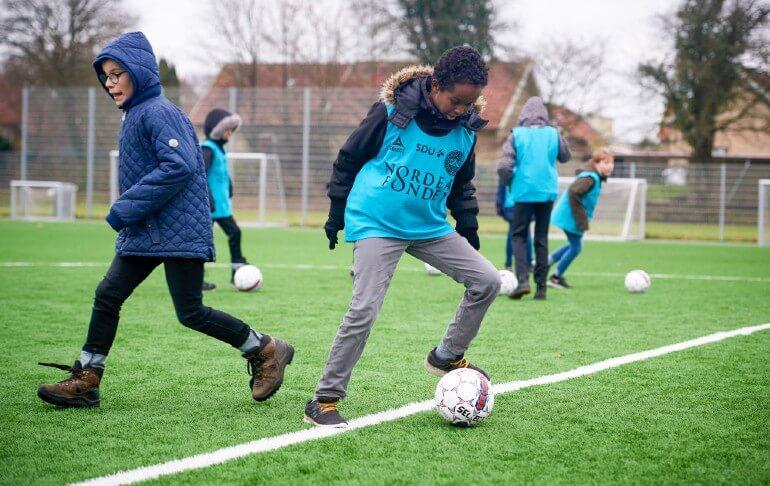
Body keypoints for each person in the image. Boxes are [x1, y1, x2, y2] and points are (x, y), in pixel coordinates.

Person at [36, 32, 294, 408]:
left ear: (138, 73)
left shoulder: (158, 111)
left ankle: (266, 349)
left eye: (117, 73)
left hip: (176, 229)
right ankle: (88, 378)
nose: (110, 82)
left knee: (191, 312)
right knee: (108, 295)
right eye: (105, 76)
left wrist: (126, 207)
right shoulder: (137, 114)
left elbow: (179, 167)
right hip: (148, 230)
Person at [305, 46, 500, 428]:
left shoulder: (466, 130)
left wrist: (468, 222)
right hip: (377, 221)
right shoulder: (392, 113)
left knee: (487, 280)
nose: (462, 109)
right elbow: (349, 158)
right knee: (363, 310)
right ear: (436, 85)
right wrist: (336, 211)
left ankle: (446, 355)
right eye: (456, 100)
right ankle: (324, 399)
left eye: (470, 102)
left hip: (429, 226)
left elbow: (462, 183)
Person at [498, 97, 570, 301]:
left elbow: (504, 166)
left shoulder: (516, 135)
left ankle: (522, 281)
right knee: (541, 238)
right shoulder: (553, 134)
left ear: (523, 116)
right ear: (544, 116)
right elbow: (565, 156)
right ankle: (541, 288)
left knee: (519, 235)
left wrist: (509, 182)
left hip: (523, 191)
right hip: (547, 191)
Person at [548, 148, 615, 288]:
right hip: (570, 217)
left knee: (573, 245)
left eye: (611, 162)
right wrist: (581, 219)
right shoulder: (590, 178)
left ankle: (544, 263)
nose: (610, 166)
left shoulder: (594, 176)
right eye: (605, 162)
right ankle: (555, 277)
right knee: (576, 247)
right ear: (596, 163)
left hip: (569, 216)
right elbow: (573, 193)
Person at [201, 108, 249, 291]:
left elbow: (221, 175)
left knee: (235, 233)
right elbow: (201, 174)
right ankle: (196, 280)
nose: (230, 133)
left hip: (221, 208)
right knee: (204, 243)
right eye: (228, 129)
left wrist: (229, 186)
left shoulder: (221, 151)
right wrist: (207, 197)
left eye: (232, 130)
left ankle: (237, 271)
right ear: (217, 130)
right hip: (208, 207)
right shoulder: (207, 149)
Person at [496, 180, 533, 272]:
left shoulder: (507, 168)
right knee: (525, 234)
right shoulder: (526, 169)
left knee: (512, 235)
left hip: (510, 207)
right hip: (523, 205)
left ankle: (509, 263)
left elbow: (501, 189)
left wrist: (499, 207)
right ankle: (528, 263)